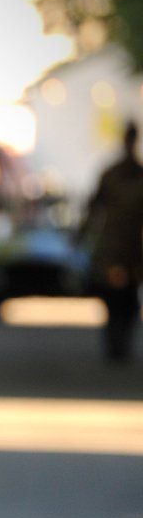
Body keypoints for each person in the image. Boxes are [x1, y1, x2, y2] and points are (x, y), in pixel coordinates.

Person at [81, 121, 143, 363]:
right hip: (118, 246)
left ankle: (120, 342)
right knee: (116, 297)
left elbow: (93, 208)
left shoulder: (121, 174)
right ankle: (116, 342)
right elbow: (94, 207)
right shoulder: (113, 175)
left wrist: (82, 234)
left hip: (129, 246)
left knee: (126, 298)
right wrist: (82, 234)